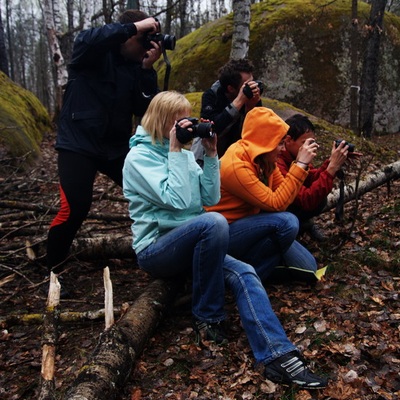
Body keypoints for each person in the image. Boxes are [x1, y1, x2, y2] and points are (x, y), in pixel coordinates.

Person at [123, 91, 329, 389]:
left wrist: (209, 155)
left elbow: (209, 197)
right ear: (164, 121)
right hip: (158, 248)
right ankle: (209, 315)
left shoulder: (181, 154)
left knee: (244, 271)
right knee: (214, 221)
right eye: (181, 120)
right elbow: (179, 201)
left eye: (189, 119)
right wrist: (173, 150)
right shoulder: (138, 159)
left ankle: (278, 357)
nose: (189, 125)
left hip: (198, 240)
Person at [46, 10, 162, 278]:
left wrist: (146, 70)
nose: (146, 46)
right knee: (75, 206)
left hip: (115, 147)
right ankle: (53, 269)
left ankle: (162, 253)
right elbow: (86, 39)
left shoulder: (135, 68)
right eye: (143, 39)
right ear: (128, 34)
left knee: (150, 192)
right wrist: (134, 27)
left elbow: (144, 110)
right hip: (78, 142)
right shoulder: (93, 54)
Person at [208, 107, 325, 283]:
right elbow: (277, 203)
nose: (282, 149)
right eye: (278, 143)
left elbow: (285, 194)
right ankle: (249, 277)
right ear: (265, 142)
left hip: (252, 223)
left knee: (308, 268)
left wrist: (318, 168)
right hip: (225, 232)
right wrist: (300, 165)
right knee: (288, 222)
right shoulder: (236, 165)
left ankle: (260, 263)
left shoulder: (265, 160)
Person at [277, 114, 352, 241]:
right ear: (288, 140)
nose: (312, 147)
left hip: (289, 208)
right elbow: (306, 199)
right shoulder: (277, 162)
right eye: (305, 142)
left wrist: (332, 161)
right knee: (316, 200)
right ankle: (296, 229)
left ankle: (303, 224)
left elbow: (311, 178)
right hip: (278, 215)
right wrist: (331, 169)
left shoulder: (296, 154)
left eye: (312, 142)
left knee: (320, 198)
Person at [192, 58, 262, 164]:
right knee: (201, 135)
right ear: (231, 89)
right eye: (247, 84)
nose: (252, 86)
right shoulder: (211, 96)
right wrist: (238, 101)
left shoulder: (251, 97)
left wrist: (250, 108)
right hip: (212, 150)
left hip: (237, 149)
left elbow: (256, 131)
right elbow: (213, 128)